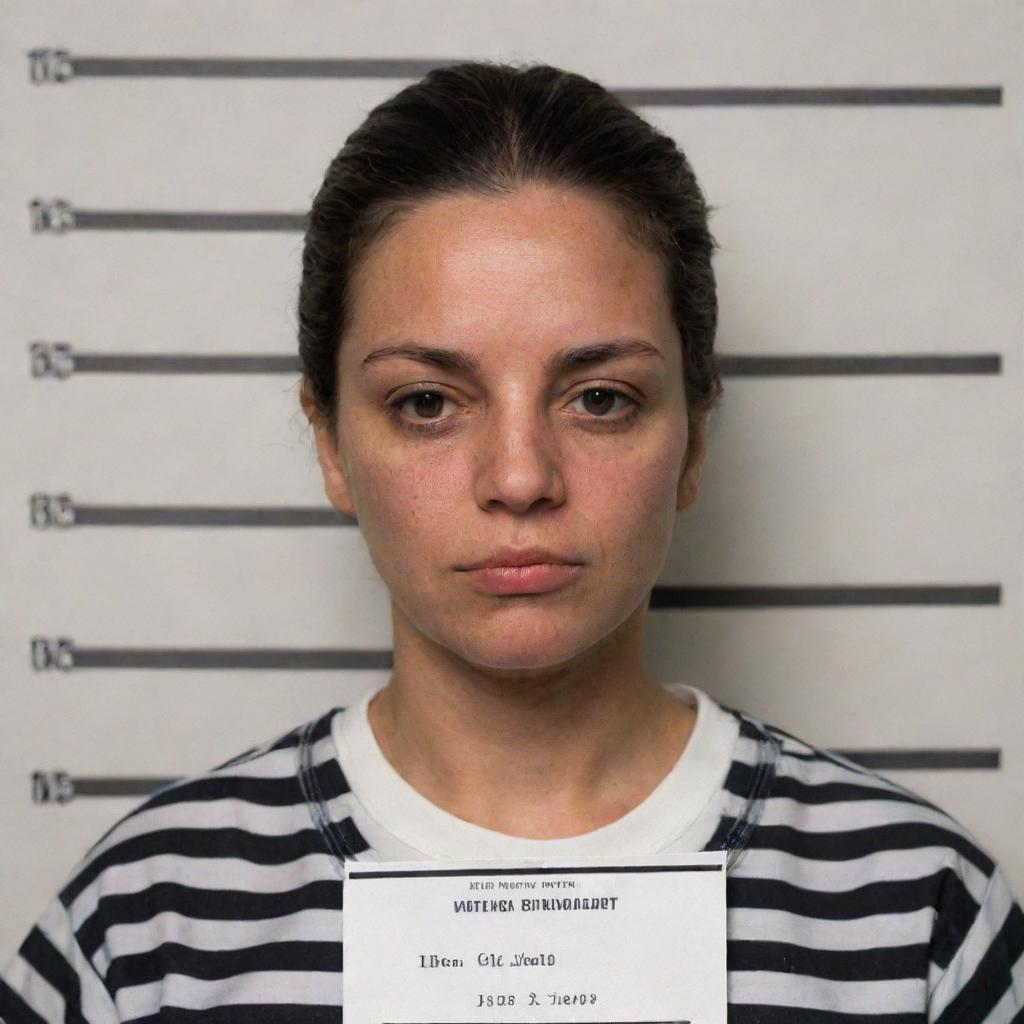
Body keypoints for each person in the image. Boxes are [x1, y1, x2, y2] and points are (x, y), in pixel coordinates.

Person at [2, 59, 1021, 1023]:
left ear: (693, 439)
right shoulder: (146, 925)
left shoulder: (920, 911)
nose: (521, 477)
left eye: (600, 398)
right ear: (329, 443)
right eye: (429, 401)